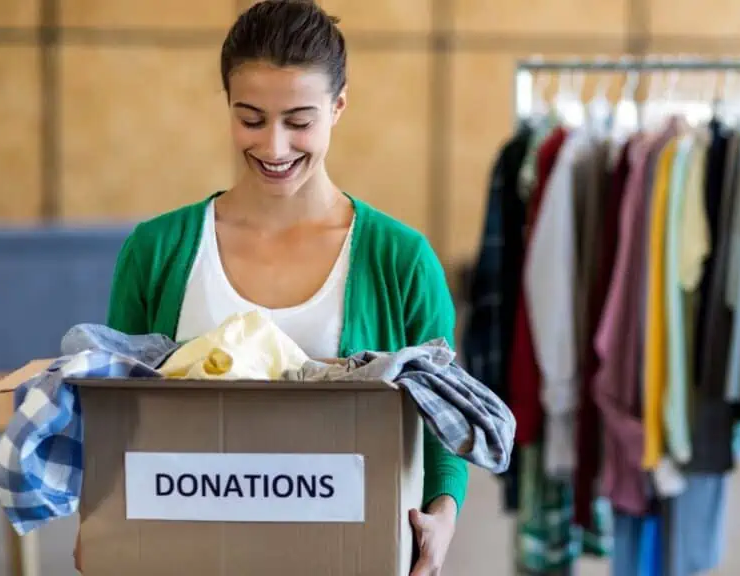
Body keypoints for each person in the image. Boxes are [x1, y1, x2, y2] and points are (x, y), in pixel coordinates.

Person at [87, 0, 468, 573]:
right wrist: (103, 523)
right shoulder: (156, 251)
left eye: (299, 121)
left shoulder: (401, 260)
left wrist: (443, 514)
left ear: (338, 107)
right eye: (251, 118)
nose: (274, 147)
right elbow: (115, 414)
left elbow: (446, 416)